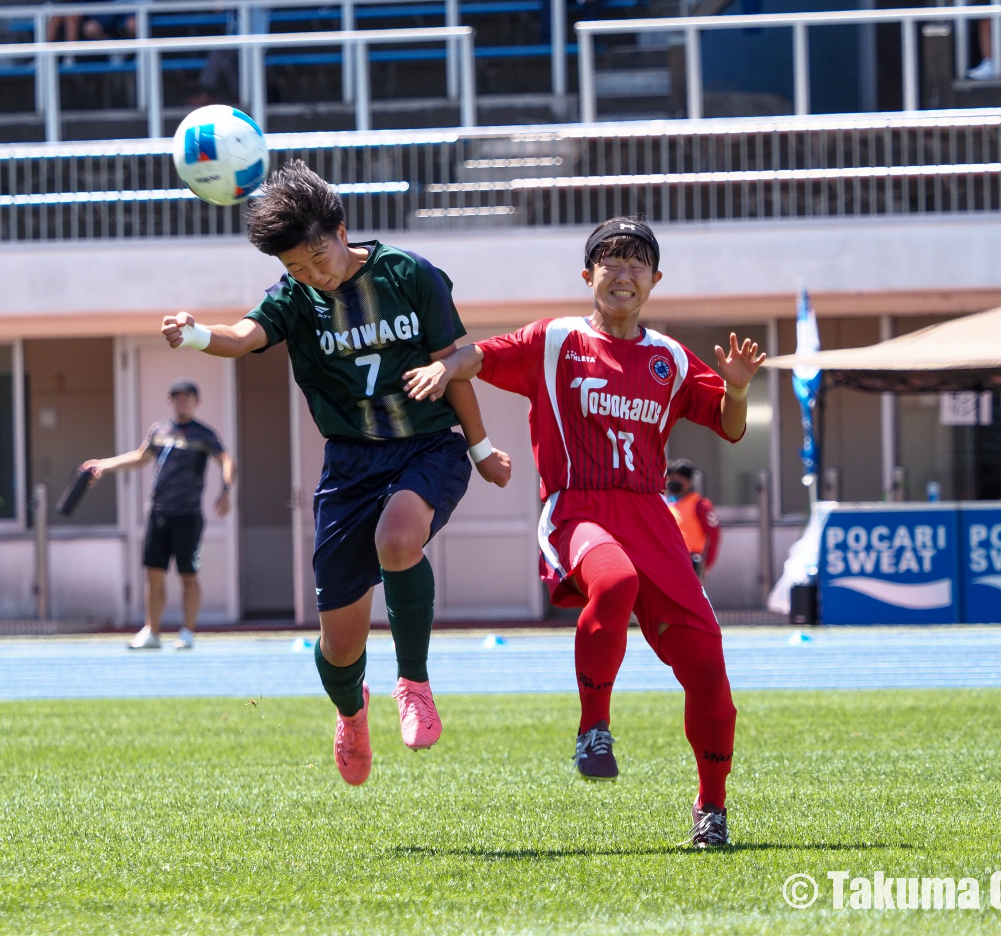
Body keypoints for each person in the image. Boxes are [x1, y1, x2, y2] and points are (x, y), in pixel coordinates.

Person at [402, 218, 764, 848]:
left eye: (636, 263)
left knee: (709, 667)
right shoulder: (558, 340)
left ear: (655, 279)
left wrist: (735, 388)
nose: (622, 274)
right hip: (578, 509)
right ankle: (593, 728)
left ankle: (713, 811)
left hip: (652, 516)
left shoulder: (670, 358)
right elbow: (480, 354)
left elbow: (730, 426)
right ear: (588, 275)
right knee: (615, 581)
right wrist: (446, 369)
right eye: (610, 261)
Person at [160, 159, 510, 786]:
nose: (312, 275)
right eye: (296, 268)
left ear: (342, 230)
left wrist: (481, 449)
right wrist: (193, 335)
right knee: (340, 645)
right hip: (350, 467)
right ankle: (352, 713)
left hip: (425, 446)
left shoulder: (410, 275)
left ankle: (415, 683)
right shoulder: (295, 301)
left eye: (318, 258)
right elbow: (241, 338)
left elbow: (455, 361)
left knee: (399, 539)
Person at [82, 379, 235, 651]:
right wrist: (104, 465)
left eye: (187, 397)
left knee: (188, 573)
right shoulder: (160, 430)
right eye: (177, 397)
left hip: (187, 515)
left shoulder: (203, 434)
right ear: (170, 401)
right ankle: (152, 631)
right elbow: (140, 457)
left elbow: (225, 460)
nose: (182, 402)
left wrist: (225, 489)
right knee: (154, 573)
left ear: (196, 401)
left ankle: (187, 632)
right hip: (158, 513)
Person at [191, 0, 275, 106]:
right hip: (234, 40)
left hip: (256, 41)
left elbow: (267, 5)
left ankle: (242, 96)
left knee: (227, 61)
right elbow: (217, 7)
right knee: (219, 54)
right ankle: (208, 92)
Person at [664, 460, 721, 580]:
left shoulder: (700, 504)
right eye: (671, 478)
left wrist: (707, 564)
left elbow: (714, 535)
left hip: (689, 562)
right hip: (668, 560)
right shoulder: (666, 502)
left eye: (679, 479)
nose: (674, 482)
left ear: (688, 482)